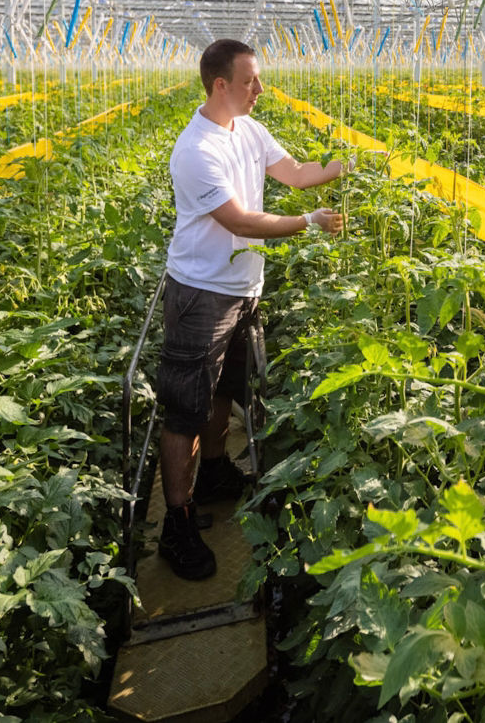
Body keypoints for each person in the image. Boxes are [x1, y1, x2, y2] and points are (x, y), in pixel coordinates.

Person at [155, 38, 345, 580]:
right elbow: (239, 221)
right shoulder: (195, 151)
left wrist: (348, 165)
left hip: (243, 289)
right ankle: (177, 519)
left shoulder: (250, 130)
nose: (260, 89)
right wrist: (308, 222)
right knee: (185, 411)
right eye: (250, 81)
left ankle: (212, 472)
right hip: (201, 293)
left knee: (222, 390)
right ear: (221, 85)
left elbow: (297, 172)